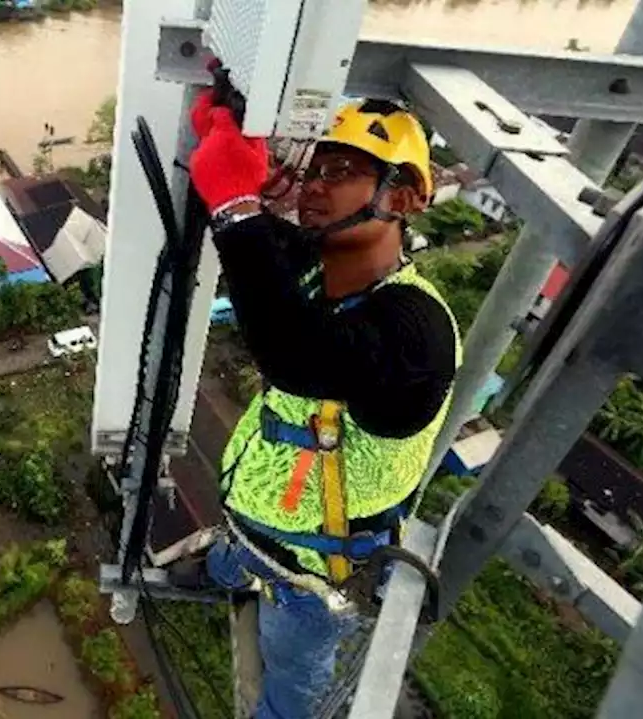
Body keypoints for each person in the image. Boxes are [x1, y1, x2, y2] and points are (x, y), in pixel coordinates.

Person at [184, 95, 461, 718]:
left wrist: (235, 202)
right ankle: (226, 567)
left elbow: (298, 355)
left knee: (292, 689)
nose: (316, 186)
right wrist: (237, 169)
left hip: (314, 577)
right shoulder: (321, 272)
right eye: (315, 170)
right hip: (255, 523)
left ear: (407, 198)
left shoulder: (415, 329)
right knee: (234, 557)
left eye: (342, 172)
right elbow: (255, 251)